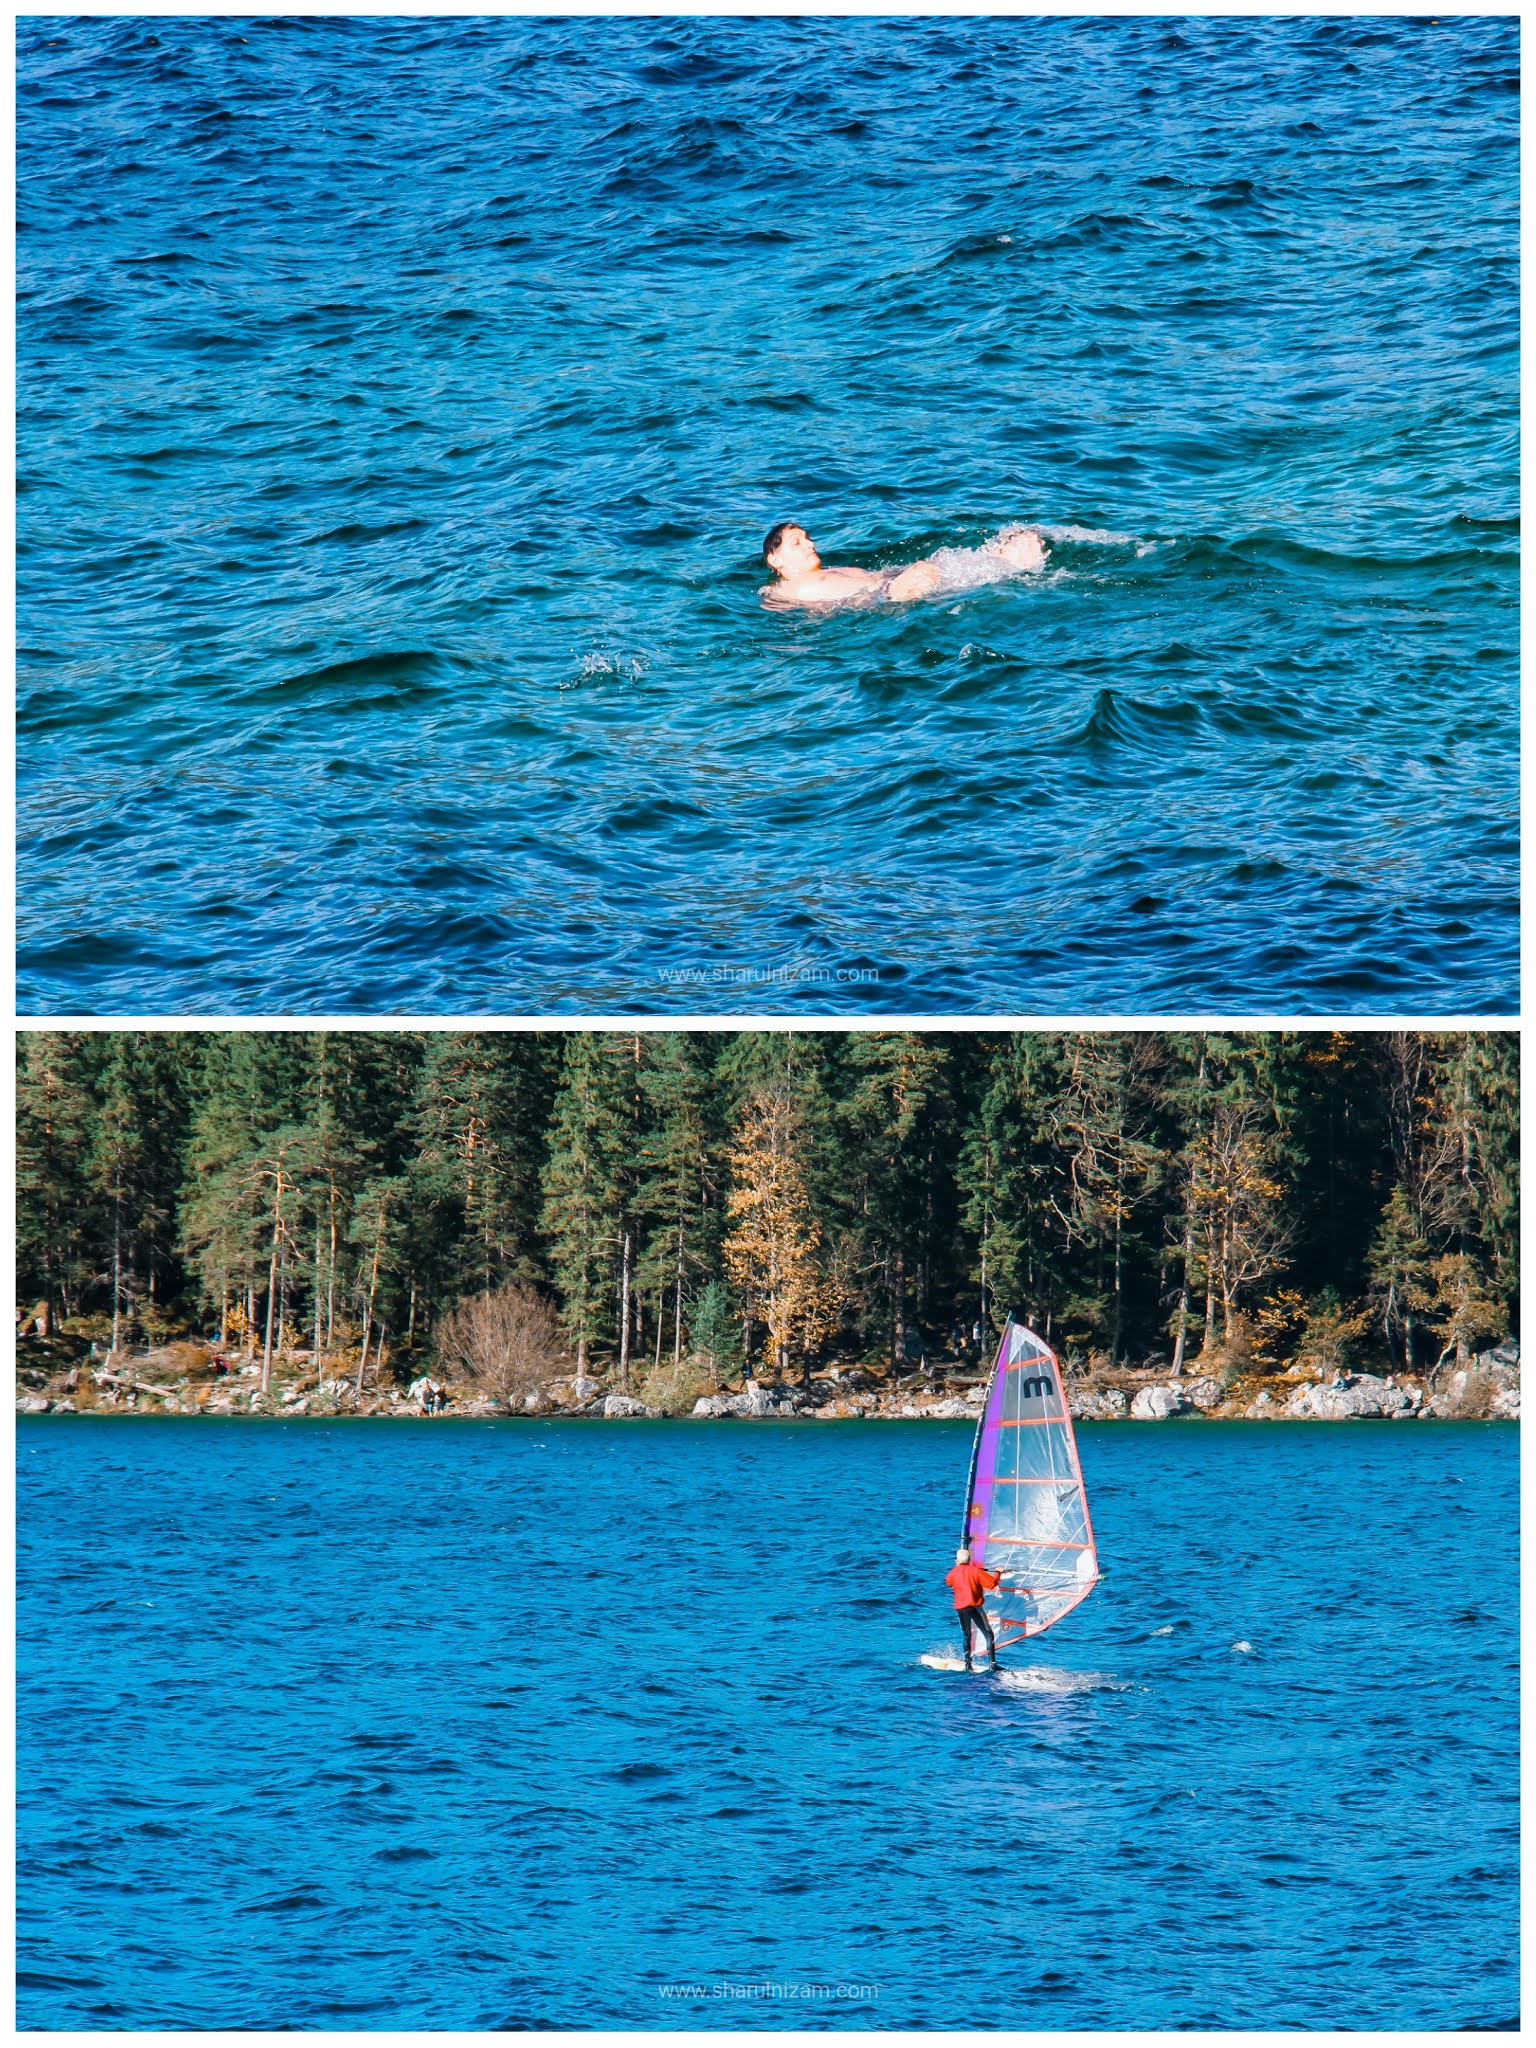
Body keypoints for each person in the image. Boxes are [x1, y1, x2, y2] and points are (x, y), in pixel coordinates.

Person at [760, 521, 1046, 607]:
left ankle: (1002, 564)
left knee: (938, 565)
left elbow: (883, 574)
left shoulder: (839, 570)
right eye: (797, 543)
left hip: (894, 585)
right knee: (926, 573)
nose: (810, 543)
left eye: (808, 538)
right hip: (888, 598)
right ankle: (1010, 570)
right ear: (775, 560)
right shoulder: (785, 591)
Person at [945, 1544, 1002, 1669]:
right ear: (970, 1560)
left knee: (967, 1635)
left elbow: (948, 1581)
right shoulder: (976, 1571)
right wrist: (998, 1572)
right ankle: (993, 1665)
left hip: (960, 1608)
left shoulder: (953, 1572)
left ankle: (968, 1664)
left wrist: (958, 1570)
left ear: (957, 1561)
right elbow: (992, 1584)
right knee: (988, 1635)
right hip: (974, 1607)